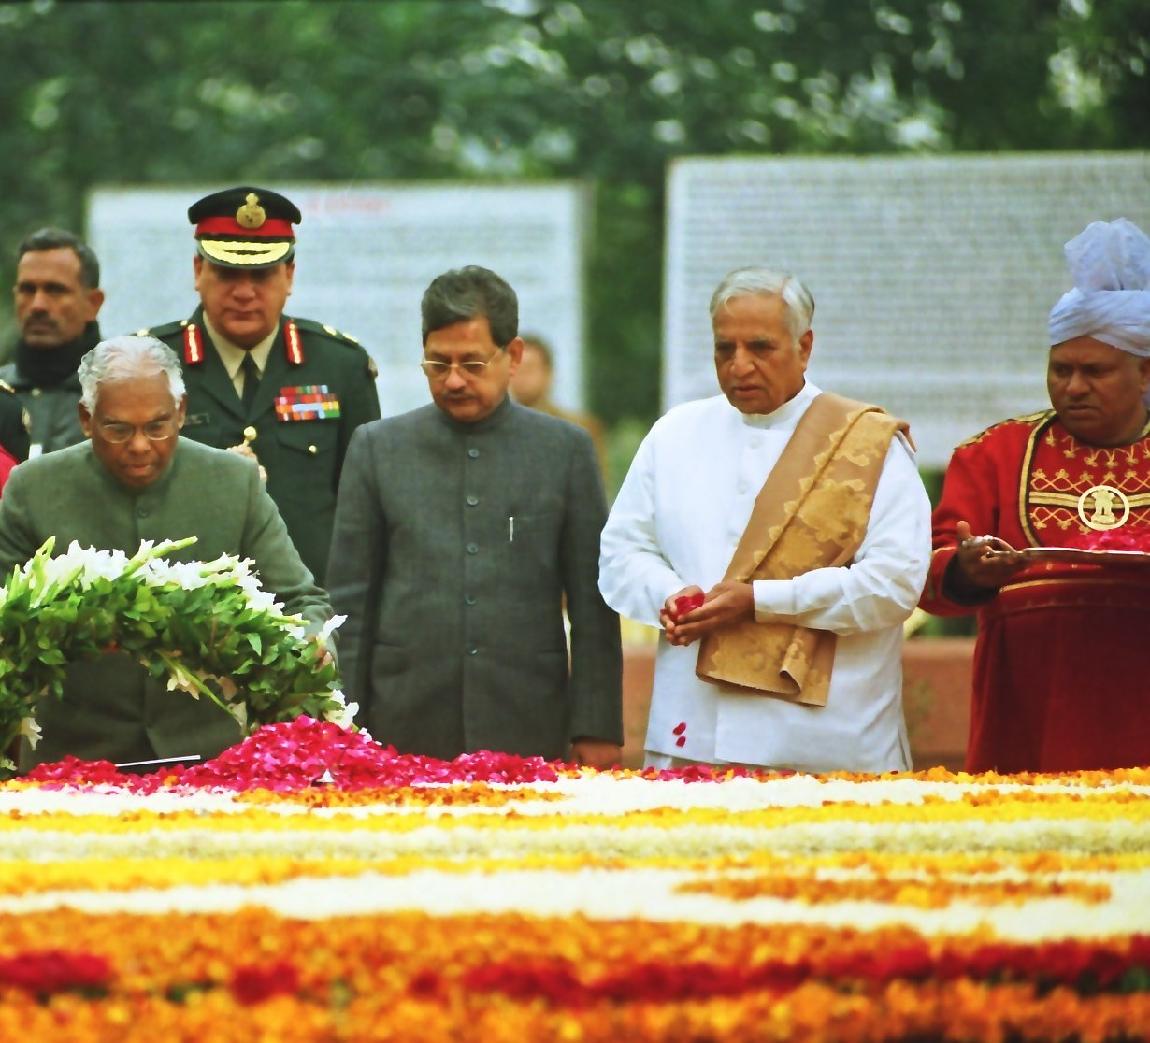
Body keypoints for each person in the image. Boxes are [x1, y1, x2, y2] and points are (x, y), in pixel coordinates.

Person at [599, 266, 931, 774]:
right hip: (693, 732)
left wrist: (760, 602)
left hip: (827, 743)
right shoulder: (674, 434)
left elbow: (894, 585)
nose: (739, 366)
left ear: (804, 346)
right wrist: (671, 596)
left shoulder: (869, 447)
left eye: (760, 347)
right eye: (724, 349)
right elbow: (623, 552)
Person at [326, 265, 623, 767]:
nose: (454, 380)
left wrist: (596, 726)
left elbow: (593, 603)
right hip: (401, 720)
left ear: (514, 356)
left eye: (472, 363)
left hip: (527, 718)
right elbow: (349, 602)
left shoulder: (564, 450)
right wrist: (340, 723)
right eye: (438, 364)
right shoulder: (378, 448)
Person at [0, 335, 333, 769]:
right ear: (86, 419)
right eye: (118, 429)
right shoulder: (33, 488)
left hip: (213, 756)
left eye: (157, 426)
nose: (140, 445)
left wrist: (311, 642)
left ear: (181, 412)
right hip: (73, 757)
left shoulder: (235, 482)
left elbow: (300, 600)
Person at [920, 218, 1150, 773]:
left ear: (1145, 373)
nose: (1073, 387)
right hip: (1028, 723)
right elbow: (927, 575)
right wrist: (967, 570)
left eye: (1095, 371)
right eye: (1060, 369)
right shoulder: (992, 455)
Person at [142, 186, 381, 583]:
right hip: (181, 599)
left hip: (311, 602)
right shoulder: (149, 366)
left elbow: (366, 508)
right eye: (227, 273)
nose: (244, 293)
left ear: (289, 275)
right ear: (198, 272)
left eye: (262, 275)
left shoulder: (340, 366)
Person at [1, 227, 105, 457]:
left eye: (55, 290)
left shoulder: (122, 395)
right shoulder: (2, 394)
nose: (38, 305)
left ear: (93, 302)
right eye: (27, 289)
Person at [510, 333, 610, 482]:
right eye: (516, 369)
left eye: (529, 369)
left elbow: (596, 487)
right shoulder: (497, 430)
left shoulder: (580, 430)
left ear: (548, 374)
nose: (521, 377)